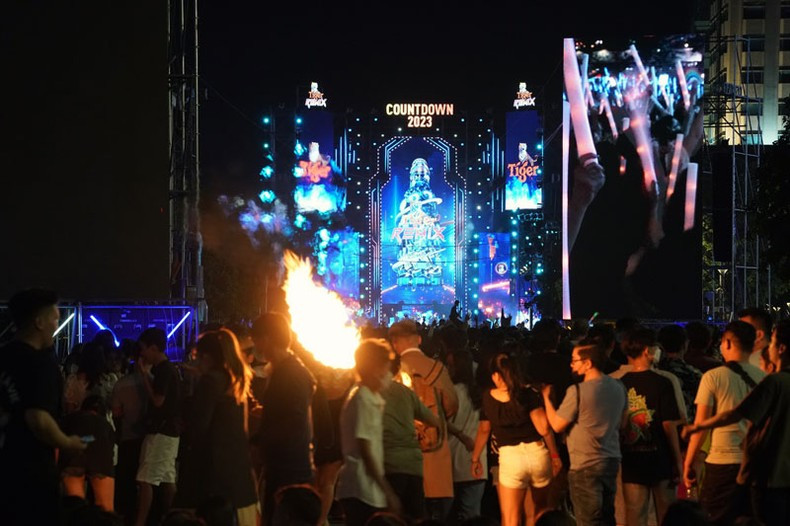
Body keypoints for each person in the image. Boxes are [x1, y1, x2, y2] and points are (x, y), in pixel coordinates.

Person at [682, 319, 790, 526]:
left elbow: (713, 419)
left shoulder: (713, 377)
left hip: (721, 462)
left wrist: (689, 461)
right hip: (757, 465)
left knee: (715, 519)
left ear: (728, 343)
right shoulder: (764, 377)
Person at [0, 289, 87, 525]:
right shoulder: (40, 364)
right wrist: (67, 442)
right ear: (38, 322)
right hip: (31, 471)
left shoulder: (4, 355)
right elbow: (38, 418)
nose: (57, 324)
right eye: (55, 318)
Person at [542, 343, 628, 526]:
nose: (571, 365)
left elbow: (557, 425)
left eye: (575, 361)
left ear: (588, 363)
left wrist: (546, 400)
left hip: (584, 463)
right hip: (611, 459)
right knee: (607, 515)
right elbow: (623, 423)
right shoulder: (619, 386)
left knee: (587, 519)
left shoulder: (577, 391)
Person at [472, 353, 561, 526]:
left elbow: (484, 430)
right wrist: (555, 455)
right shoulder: (528, 394)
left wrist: (475, 458)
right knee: (539, 513)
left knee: (510, 517)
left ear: (496, 376)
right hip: (537, 454)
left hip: (510, 457)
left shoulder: (488, 398)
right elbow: (544, 428)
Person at [182, 329, 258, 526]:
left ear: (206, 356)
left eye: (197, 357)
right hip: (241, 481)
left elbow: (197, 429)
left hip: (215, 483)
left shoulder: (211, 381)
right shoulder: (237, 381)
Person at [389, 319, 459, 522]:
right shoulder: (437, 369)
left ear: (394, 343)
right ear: (419, 339)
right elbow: (452, 405)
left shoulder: (391, 373)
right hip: (436, 453)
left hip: (402, 460)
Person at [250, 312, 316, 525]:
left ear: (267, 338)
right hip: (285, 464)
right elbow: (284, 413)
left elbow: (293, 421)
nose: (255, 346)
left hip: (290, 469)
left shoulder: (291, 374)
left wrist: (260, 440)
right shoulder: (284, 370)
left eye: (256, 339)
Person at [618, 328, 683, 525]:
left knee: (635, 515)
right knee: (667, 515)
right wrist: (678, 460)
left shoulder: (620, 383)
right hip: (660, 458)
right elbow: (669, 425)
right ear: (647, 351)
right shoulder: (663, 383)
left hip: (631, 460)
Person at [336, 338, 402, 526]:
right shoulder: (362, 398)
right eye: (385, 368)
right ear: (375, 369)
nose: (388, 374)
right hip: (361, 490)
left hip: (366, 489)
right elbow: (365, 448)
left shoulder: (367, 395)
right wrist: (387, 490)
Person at [381, 356, 440, 522]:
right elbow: (434, 420)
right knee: (416, 517)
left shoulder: (367, 392)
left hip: (388, 463)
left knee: (390, 518)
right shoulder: (405, 391)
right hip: (412, 464)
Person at [135, 327, 182, 526]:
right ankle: (174, 519)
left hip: (161, 432)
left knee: (145, 479)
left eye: (144, 349)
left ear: (153, 348)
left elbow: (158, 401)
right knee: (167, 478)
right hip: (171, 432)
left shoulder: (162, 370)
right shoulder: (170, 369)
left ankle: (140, 522)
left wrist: (144, 375)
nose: (142, 354)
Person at [446, 347, 487, 524]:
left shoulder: (451, 392)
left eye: (449, 365)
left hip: (452, 460)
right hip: (478, 462)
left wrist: (460, 435)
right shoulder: (481, 394)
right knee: (472, 515)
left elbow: (441, 420)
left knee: (448, 515)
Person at [110, 340, 148, 522]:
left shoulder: (120, 385)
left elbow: (116, 414)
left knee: (126, 481)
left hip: (127, 437)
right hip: (149, 438)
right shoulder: (154, 383)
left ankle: (126, 516)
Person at [59, 394, 117, 511]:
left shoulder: (70, 419)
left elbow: (57, 442)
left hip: (74, 456)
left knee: (75, 506)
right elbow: (112, 451)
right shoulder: (106, 425)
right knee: (105, 508)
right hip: (101, 458)